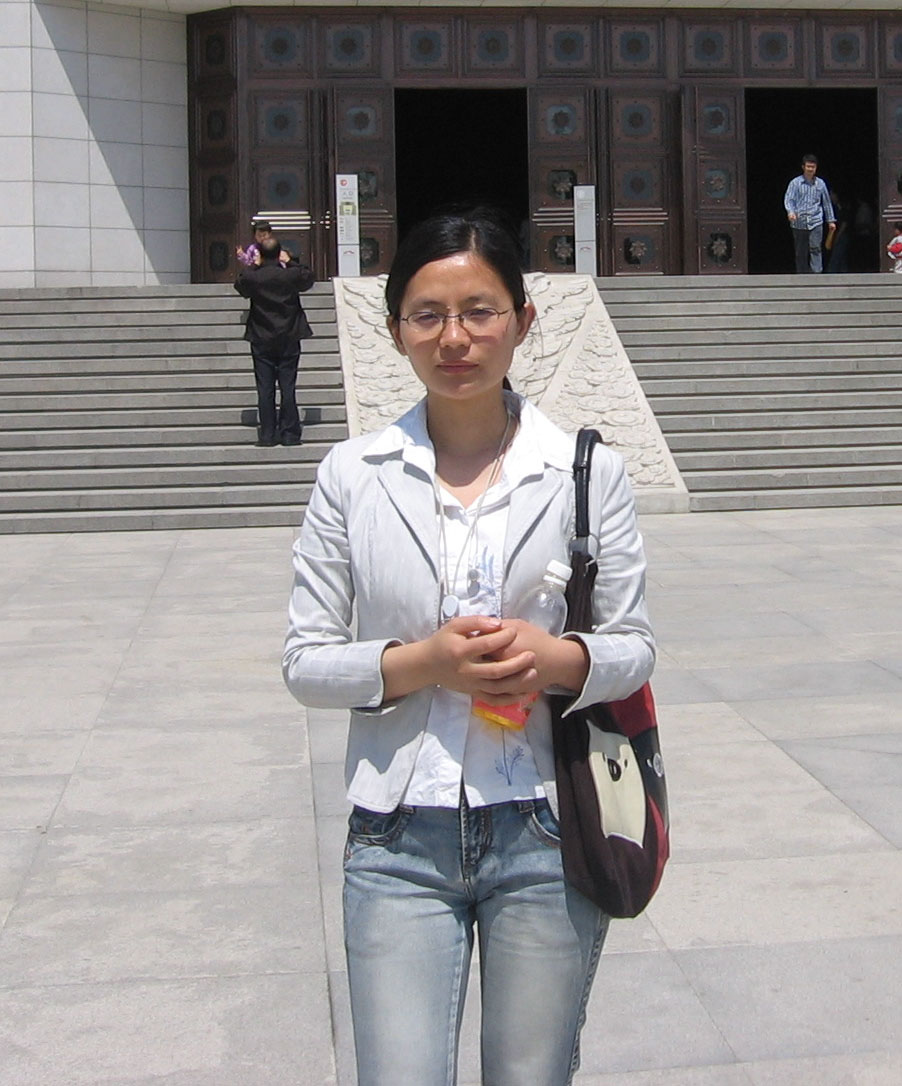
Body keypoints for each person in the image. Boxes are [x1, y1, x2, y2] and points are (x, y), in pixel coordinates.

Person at [282, 209, 655, 1084]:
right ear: (394, 331)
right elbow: (306, 661)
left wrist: (556, 660)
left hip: (546, 827)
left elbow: (633, 645)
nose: (455, 338)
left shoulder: (586, 471)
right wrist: (426, 664)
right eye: (428, 315)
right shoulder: (353, 476)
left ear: (522, 320)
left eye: (480, 311)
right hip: (396, 839)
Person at [234, 237, 314, 447]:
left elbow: (240, 285)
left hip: (261, 336)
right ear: (279, 253)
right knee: (287, 386)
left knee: (265, 387)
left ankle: (268, 434)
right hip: (288, 335)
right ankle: (289, 434)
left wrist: (254, 265)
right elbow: (308, 277)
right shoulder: (290, 275)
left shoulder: (254, 277)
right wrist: (289, 261)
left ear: (260, 254)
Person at [784, 154, 836, 273]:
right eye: (808, 166)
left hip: (816, 220)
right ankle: (802, 275)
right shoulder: (795, 183)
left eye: (813, 167)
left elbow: (826, 203)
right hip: (799, 222)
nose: (810, 169)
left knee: (816, 248)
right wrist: (791, 212)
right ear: (803, 167)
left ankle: (816, 274)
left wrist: (831, 220)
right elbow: (789, 199)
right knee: (801, 251)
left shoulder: (820, 184)